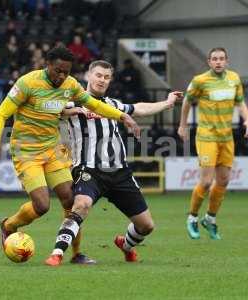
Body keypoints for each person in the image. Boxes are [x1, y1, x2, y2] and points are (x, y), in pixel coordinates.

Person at [0, 47, 141, 264]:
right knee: (42, 206)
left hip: (53, 149)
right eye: (58, 71)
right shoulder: (27, 83)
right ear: (47, 64)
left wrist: (122, 116)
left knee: (70, 199)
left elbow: (94, 104)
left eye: (66, 72)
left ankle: (76, 254)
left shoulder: (70, 84)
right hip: (27, 151)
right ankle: (8, 225)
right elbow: (1, 114)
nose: (62, 76)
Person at [44, 60, 183, 266]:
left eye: (106, 77)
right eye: (98, 75)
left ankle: (125, 245)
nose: (102, 80)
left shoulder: (113, 105)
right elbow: (48, 109)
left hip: (119, 173)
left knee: (146, 226)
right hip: (88, 168)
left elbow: (139, 108)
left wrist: (167, 102)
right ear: (88, 76)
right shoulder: (74, 101)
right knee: (81, 204)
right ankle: (57, 253)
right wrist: (67, 112)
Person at [178, 47, 248, 240]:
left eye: (221, 59)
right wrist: (183, 125)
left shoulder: (234, 79)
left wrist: (247, 119)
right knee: (207, 181)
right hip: (206, 135)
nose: (218, 62)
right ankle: (192, 217)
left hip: (226, 137)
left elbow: (240, 102)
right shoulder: (200, 81)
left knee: (224, 180)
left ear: (227, 61)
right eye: (214, 59)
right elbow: (186, 102)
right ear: (209, 62)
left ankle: (210, 218)